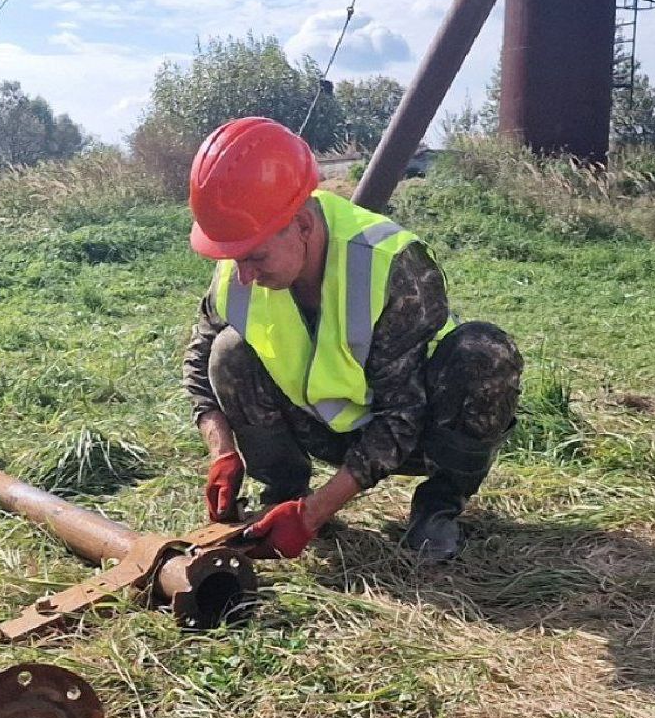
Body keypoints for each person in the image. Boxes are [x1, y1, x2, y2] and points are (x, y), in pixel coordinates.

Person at [182, 117, 523, 561]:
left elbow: (401, 416)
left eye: (255, 256)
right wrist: (223, 450)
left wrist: (315, 514)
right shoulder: (240, 264)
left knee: (485, 354)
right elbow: (198, 362)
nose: (242, 274)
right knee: (228, 351)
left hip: (418, 433)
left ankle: (439, 505)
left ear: (302, 225)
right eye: (231, 256)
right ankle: (282, 493)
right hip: (322, 429)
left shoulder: (390, 266)